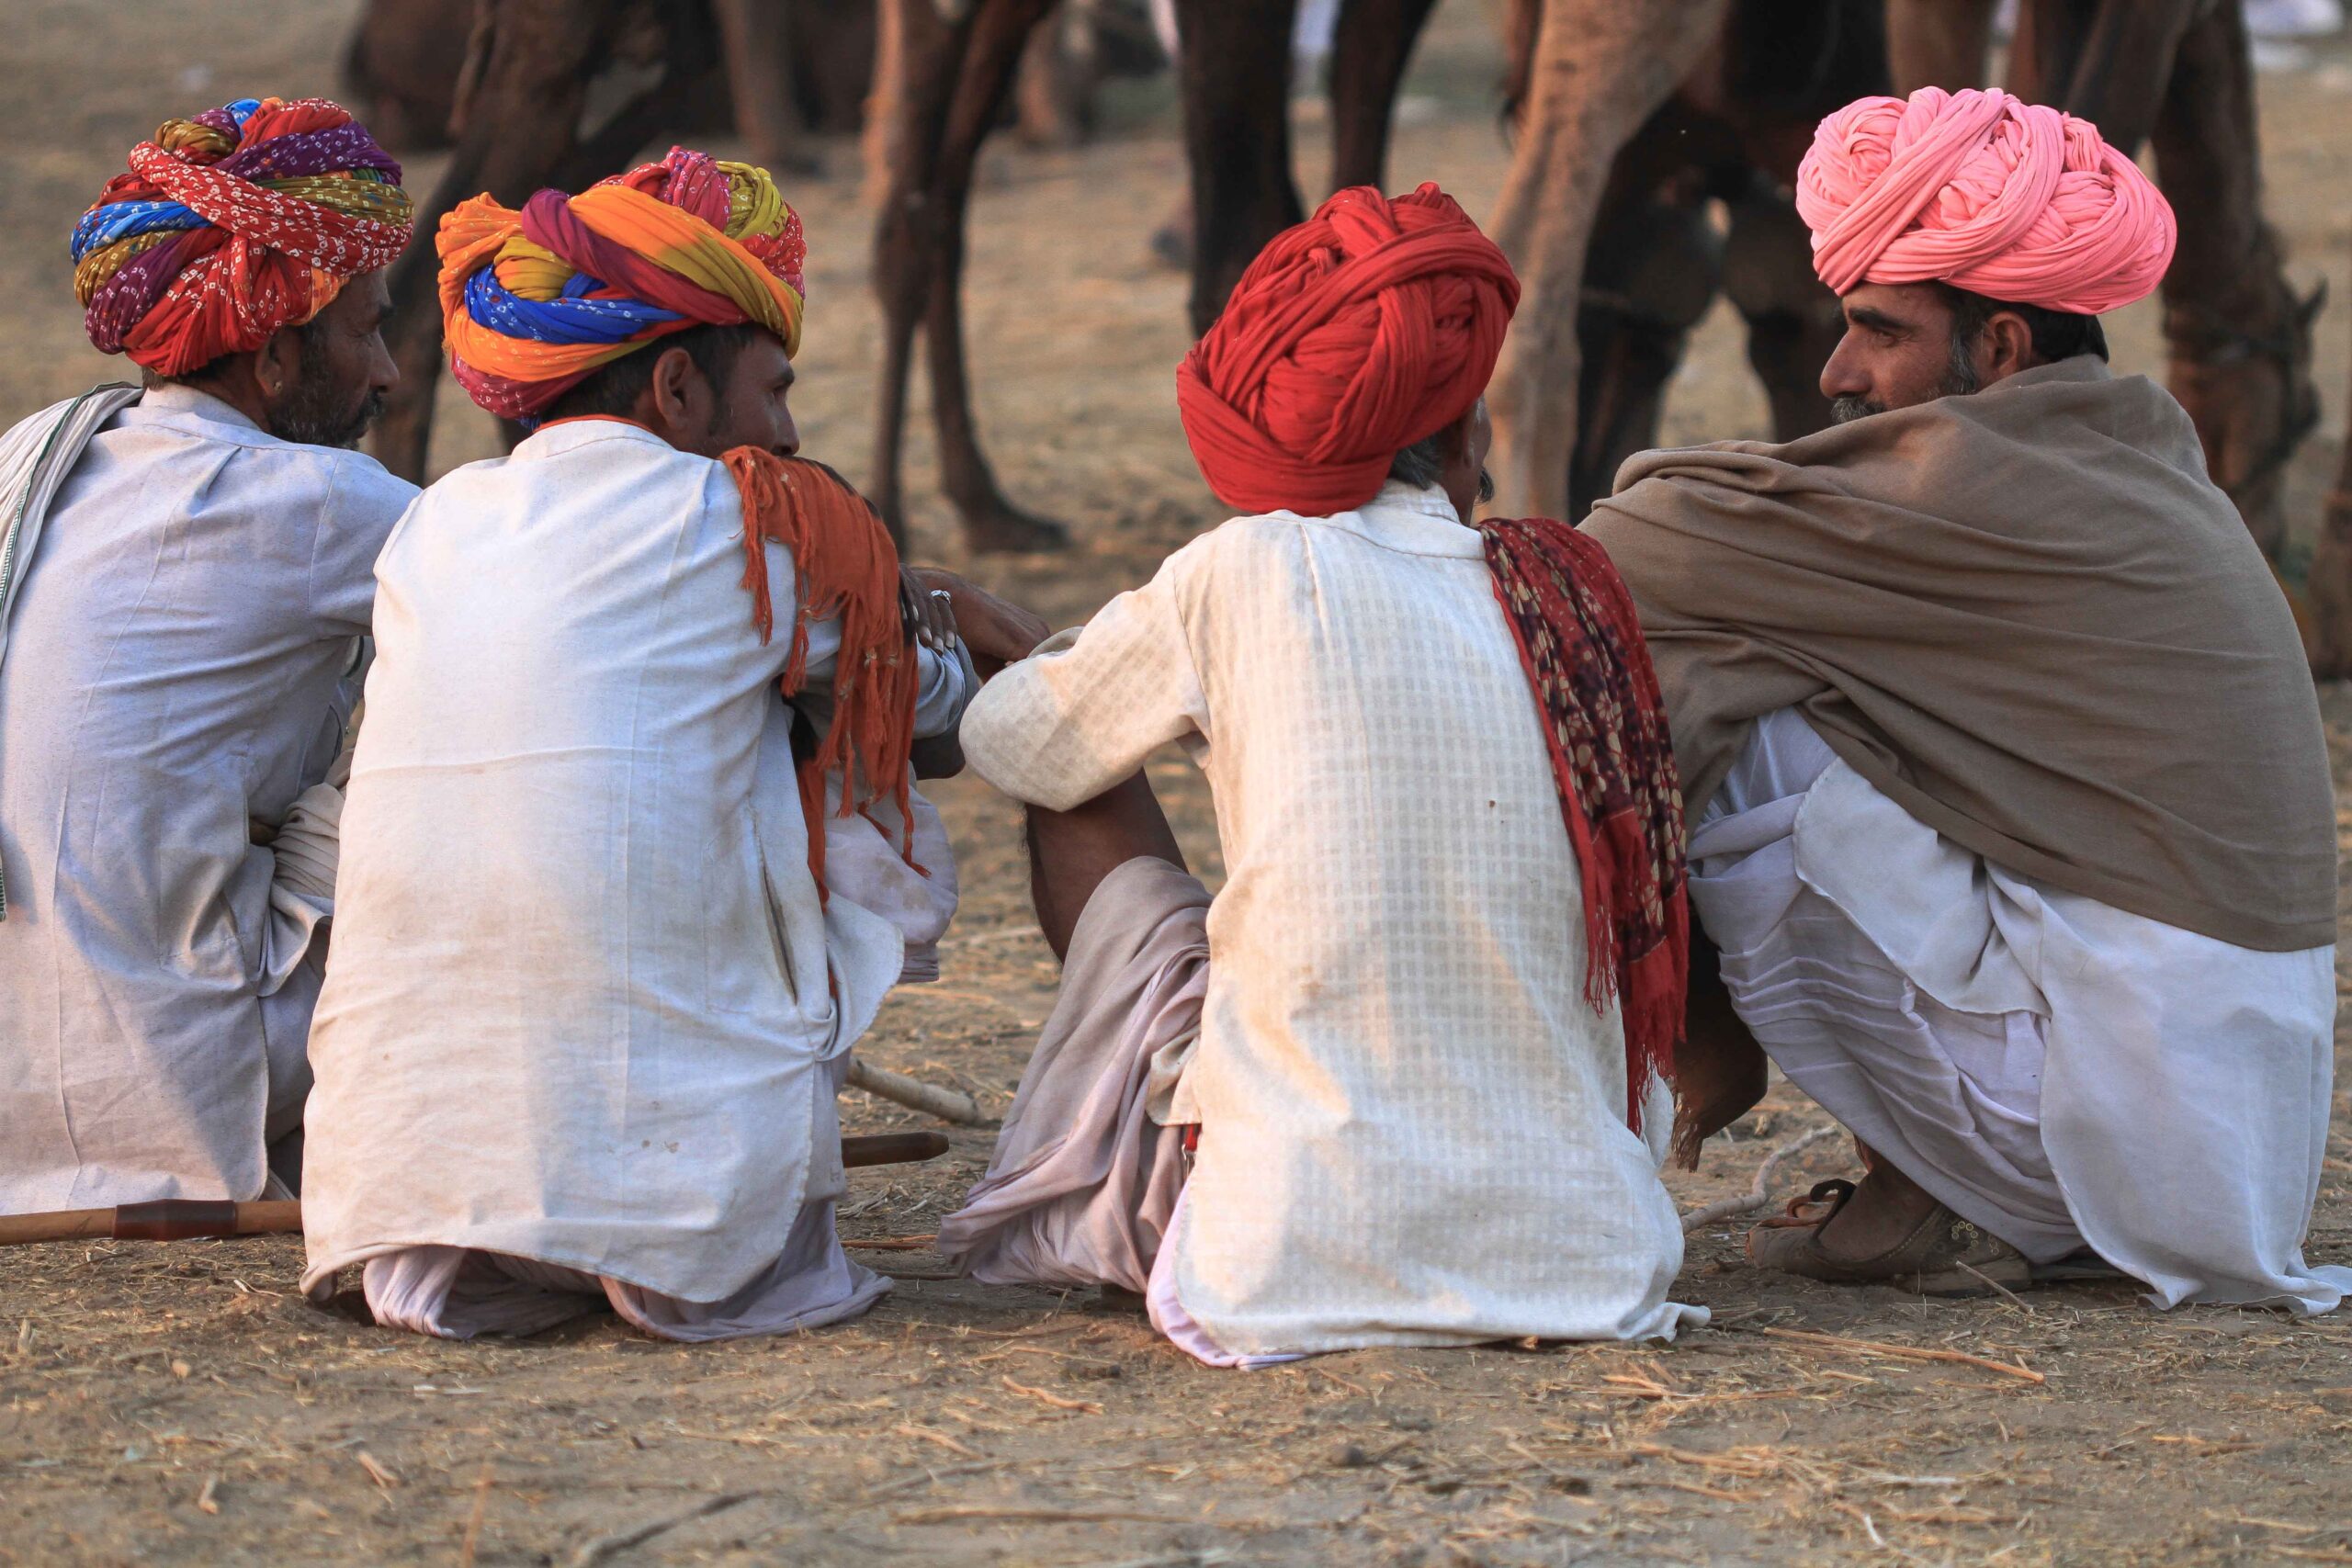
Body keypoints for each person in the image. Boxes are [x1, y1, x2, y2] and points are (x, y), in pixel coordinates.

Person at [1585, 86, 2349, 1310]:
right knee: (1780, 668)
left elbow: (1627, 544)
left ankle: (1934, 1196)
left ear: (1999, 349)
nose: (1836, 370)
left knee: (1736, 710)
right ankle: (1935, 1175)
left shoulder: (1977, 479)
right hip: (2216, 1144)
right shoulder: (2136, 450)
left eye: (1877, 331)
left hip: (2115, 1143)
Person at [938, 184, 1705, 1365]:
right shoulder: (1568, 598)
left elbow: (1013, 745)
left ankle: (1123, 1172)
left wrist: (1040, 648)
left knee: (1078, 773)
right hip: (1586, 1259)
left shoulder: (1238, 568)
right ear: (1462, 438)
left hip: (1285, 1255)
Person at [298, 149, 994, 1340]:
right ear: (675, 387)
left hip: (401, 1206)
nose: (787, 430)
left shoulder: (435, 522)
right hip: (683, 1217)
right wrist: (966, 621)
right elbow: (926, 707)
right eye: (774, 389)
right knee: (813, 737)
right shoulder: (738, 519)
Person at [0, 96, 413, 1210]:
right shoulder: (313, 500)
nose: (386, 373)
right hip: (187, 1084)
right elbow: (546, 604)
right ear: (276, 357)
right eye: (364, 332)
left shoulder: (35, 453)